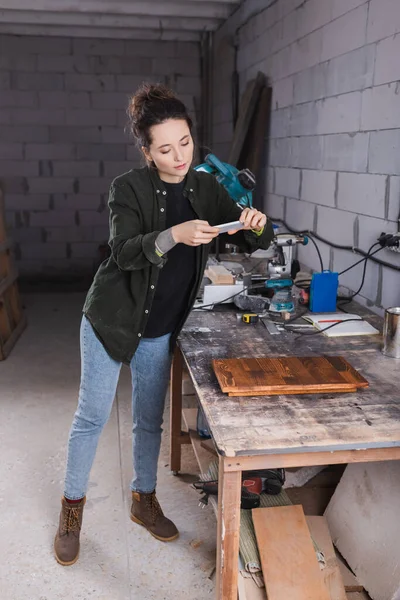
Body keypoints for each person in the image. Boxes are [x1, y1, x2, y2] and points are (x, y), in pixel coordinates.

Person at [54, 82, 274, 566]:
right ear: (147, 151)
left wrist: (256, 223)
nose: (179, 156)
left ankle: (143, 500)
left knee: (149, 422)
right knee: (91, 418)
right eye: (166, 148)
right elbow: (124, 252)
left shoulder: (204, 187)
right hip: (111, 321)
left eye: (186, 143)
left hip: (158, 330)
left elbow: (252, 235)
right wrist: (173, 234)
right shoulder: (127, 189)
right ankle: (71, 514)